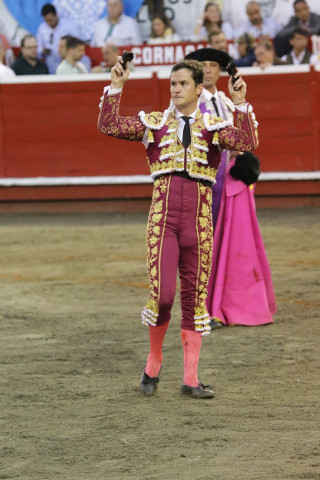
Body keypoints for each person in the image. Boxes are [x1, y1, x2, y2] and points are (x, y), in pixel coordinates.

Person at [97, 55, 258, 397]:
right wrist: (117, 86)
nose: (176, 90)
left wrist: (241, 103)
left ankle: (190, 378)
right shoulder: (154, 124)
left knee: (195, 298)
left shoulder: (214, 126)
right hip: (163, 219)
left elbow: (247, 143)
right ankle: (153, 361)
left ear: (199, 89)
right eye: (173, 84)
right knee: (163, 295)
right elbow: (109, 125)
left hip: (199, 222)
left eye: (183, 84)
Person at [184, 48, 276, 329]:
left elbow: (247, 140)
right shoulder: (188, 103)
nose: (209, 70)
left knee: (219, 245)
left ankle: (216, 305)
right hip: (202, 183)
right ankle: (200, 309)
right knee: (202, 246)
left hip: (224, 186)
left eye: (214, 65)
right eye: (204, 65)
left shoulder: (224, 101)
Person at [37, 3, 81, 74]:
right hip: (50, 61)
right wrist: (43, 51)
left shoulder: (69, 25)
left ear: (56, 15)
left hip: (68, 59)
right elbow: (38, 47)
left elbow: (77, 43)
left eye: (50, 20)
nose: (49, 23)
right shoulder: (42, 28)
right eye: (46, 20)